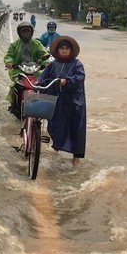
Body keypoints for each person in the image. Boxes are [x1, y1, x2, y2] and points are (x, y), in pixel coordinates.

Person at [36, 35, 86, 166]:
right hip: (57, 100)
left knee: (76, 128)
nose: (64, 51)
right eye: (62, 48)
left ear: (71, 51)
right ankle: (57, 147)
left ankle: (77, 156)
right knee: (54, 125)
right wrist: (37, 83)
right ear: (57, 51)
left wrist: (67, 81)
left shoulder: (77, 64)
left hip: (73, 101)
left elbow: (80, 77)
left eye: (66, 49)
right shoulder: (53, 64)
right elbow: (43, 77)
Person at [4, 21, 50, 118]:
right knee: (15, 85)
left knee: (43, 84)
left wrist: (45, 62)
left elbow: (44, 54)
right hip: (19, 70)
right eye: (23, 32)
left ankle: (42, 105)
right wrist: (9, 62)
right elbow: (9, 55)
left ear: (31, 32)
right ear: (19, 33)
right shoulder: (14, 45)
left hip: (35, 69)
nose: (26, 34)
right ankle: (14, 104)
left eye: (28, 32)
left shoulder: (37, 44)